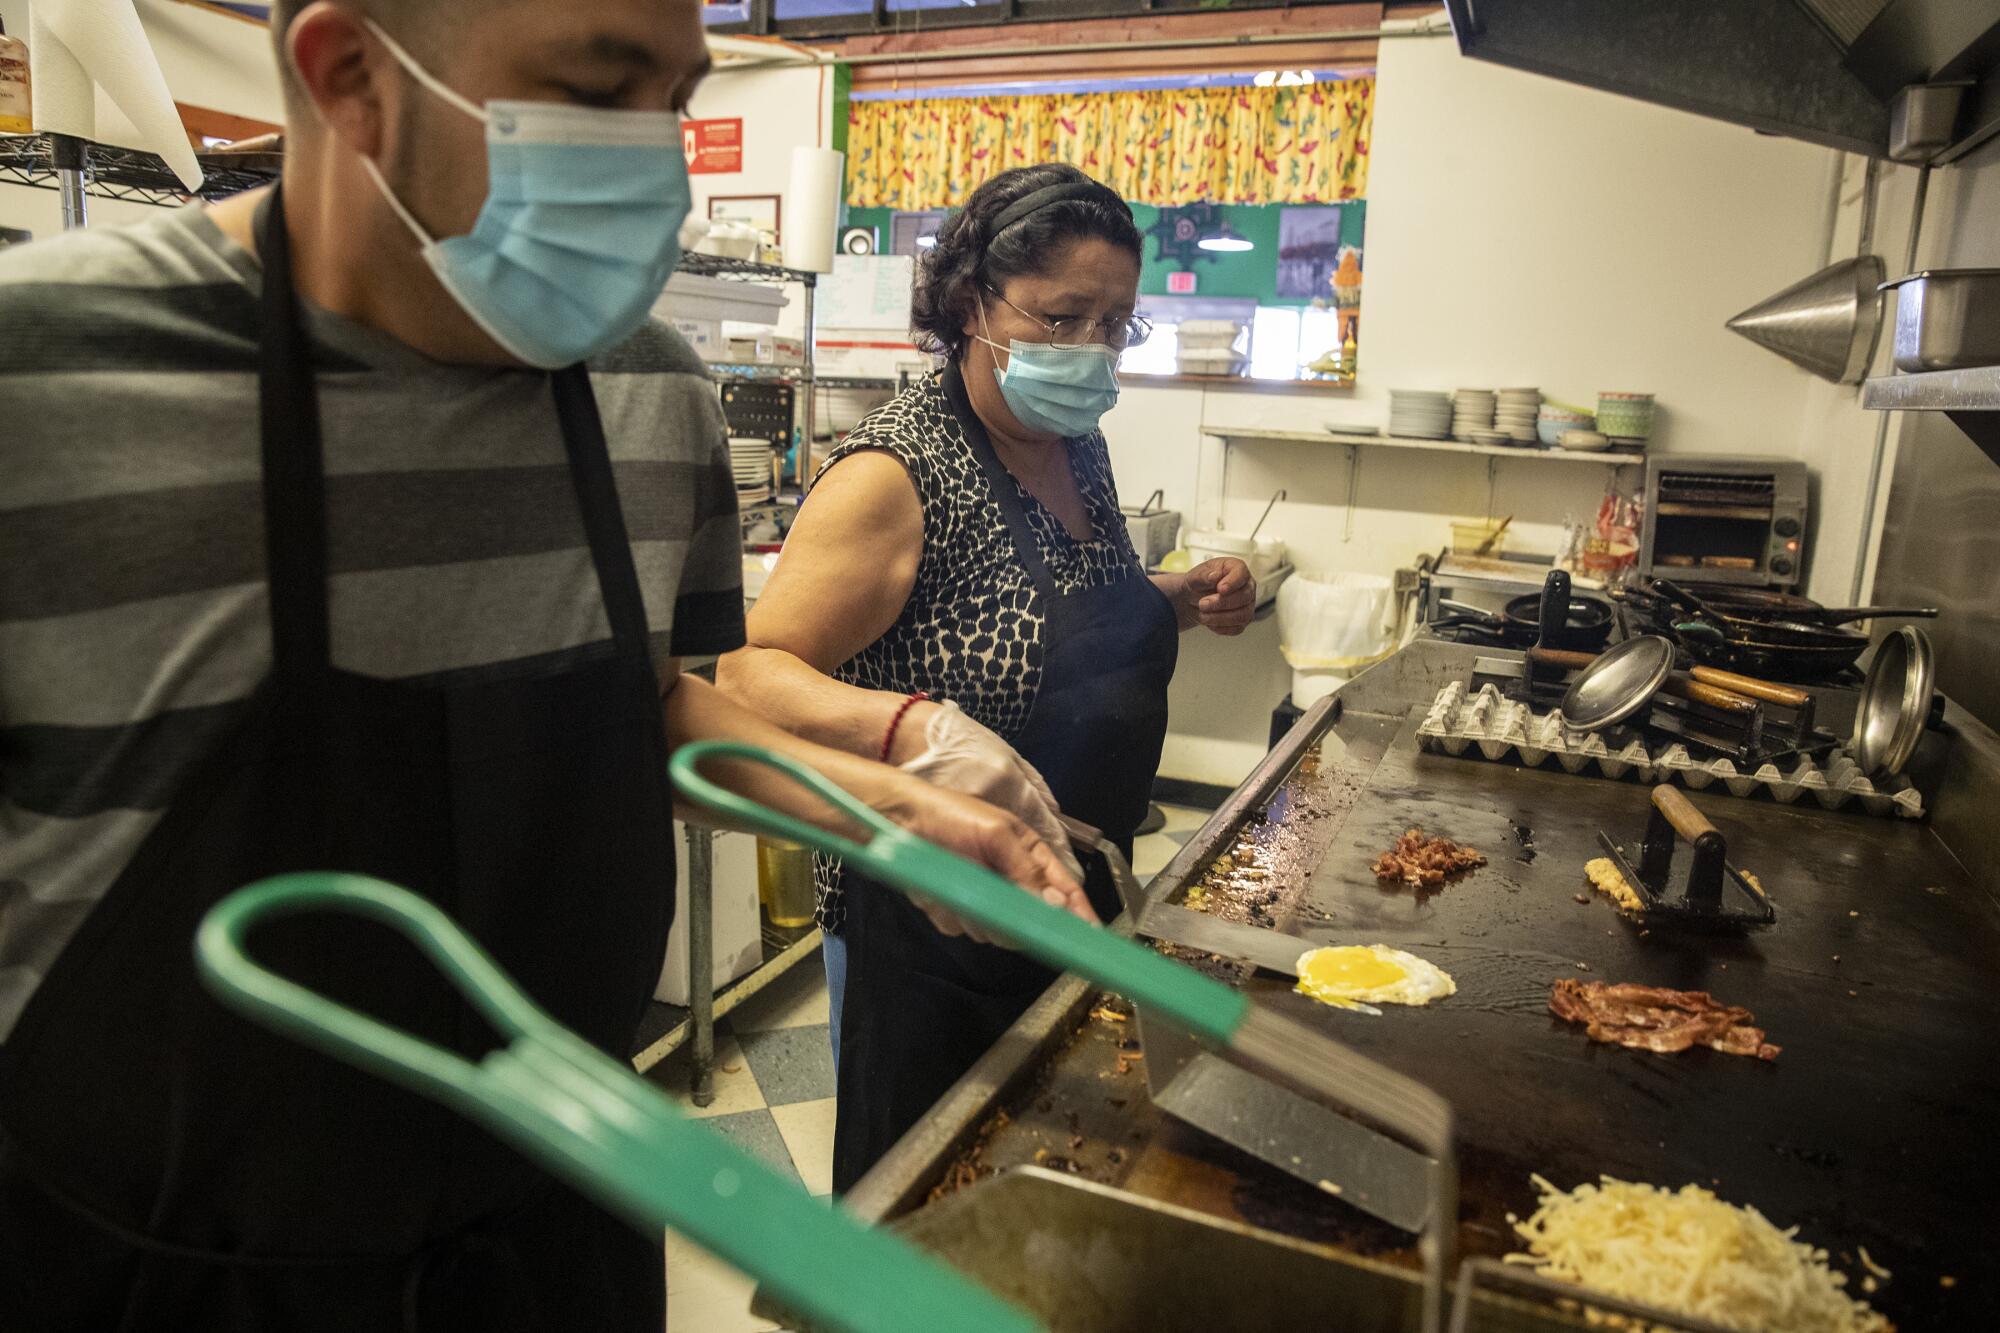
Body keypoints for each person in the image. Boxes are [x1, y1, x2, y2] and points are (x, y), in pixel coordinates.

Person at [0, 4, 1090, 1330]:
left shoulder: (650, 392)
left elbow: (643, 714)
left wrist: (898, 810)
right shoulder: (44, 381)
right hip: (161, 1275)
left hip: (554, 1234)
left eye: (673, 99)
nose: (656, 165)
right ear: (351, 75)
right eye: (596, 89)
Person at [716, 163, 1257, 1192]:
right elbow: (747, 674)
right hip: (932, 922)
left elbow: (1056, 597)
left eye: (1114, 324)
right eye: (1062, 316)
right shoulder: (894, 473)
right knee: (929, 1210)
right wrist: (914, 730)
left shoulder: (1075, 442)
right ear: (973, 304)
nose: (1091, 349)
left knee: (1043, 1197)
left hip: (1067, 891)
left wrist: (1180, 595)